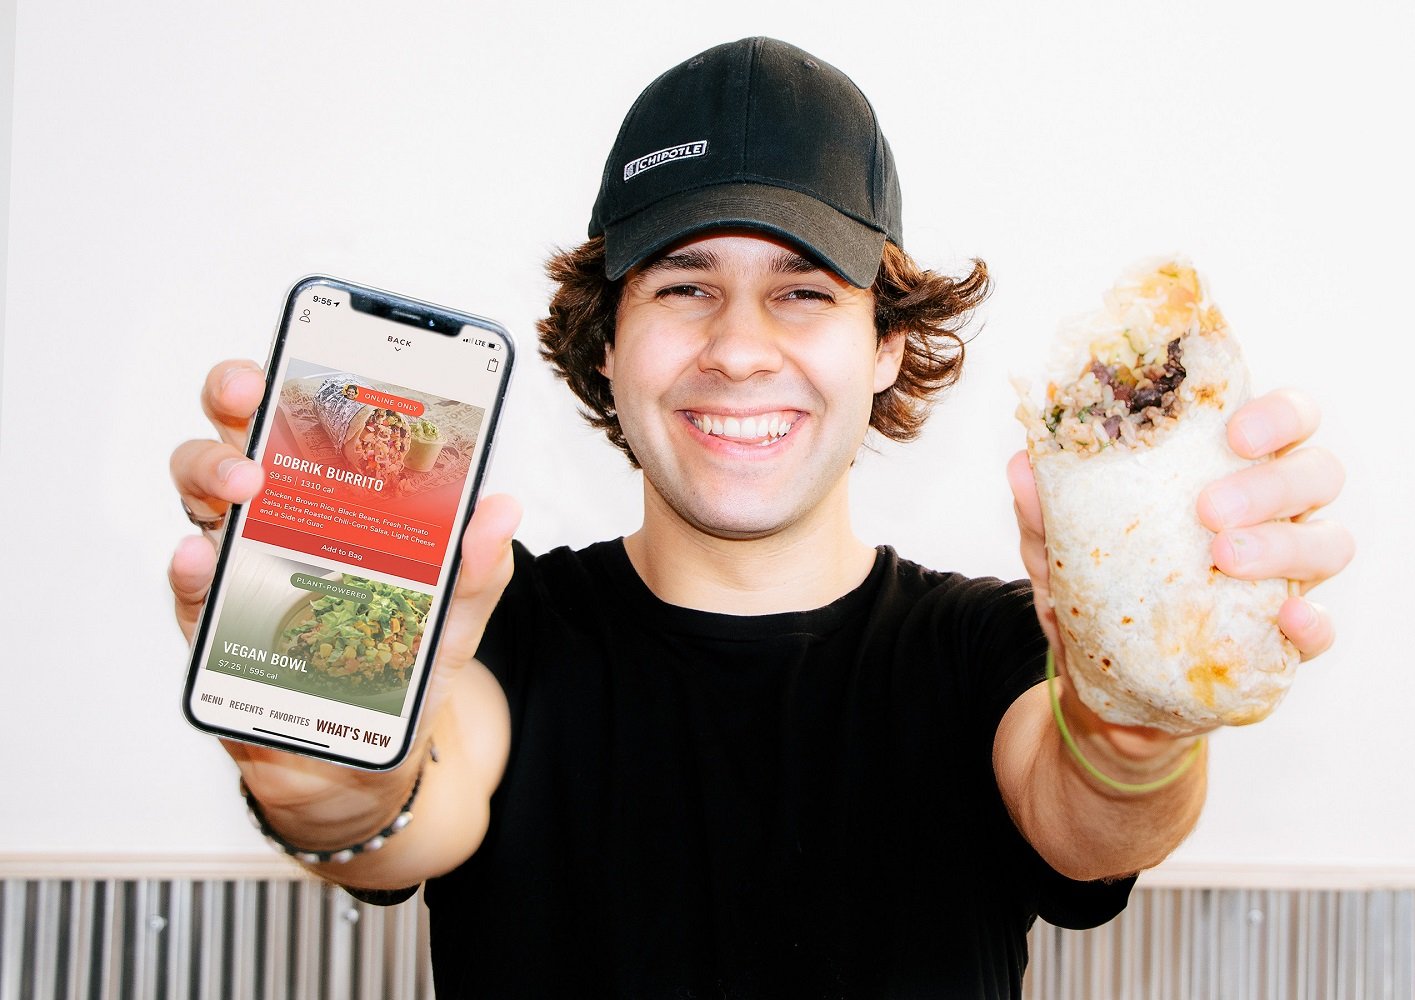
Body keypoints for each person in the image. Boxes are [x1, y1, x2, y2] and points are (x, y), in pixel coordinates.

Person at [169, 37, 1353, 998]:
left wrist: (1134, 711)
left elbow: (1090, 814)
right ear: (608, 340)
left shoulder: (985, 654)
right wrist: (324, 773)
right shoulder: (502, 632)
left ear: (887, 344)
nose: (739, 349)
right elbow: (403, 811)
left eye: (802, 292)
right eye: (685, 287)